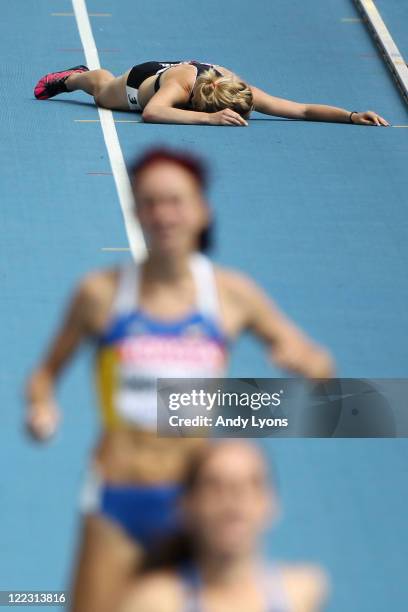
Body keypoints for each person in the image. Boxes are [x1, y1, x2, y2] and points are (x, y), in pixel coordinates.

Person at [25, 147, 334, 612]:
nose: (163, 214)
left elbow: (320, 367)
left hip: (194, 512)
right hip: (117, 501)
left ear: (201, 211)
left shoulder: (232, 295)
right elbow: (43, 376)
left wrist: (304, 362)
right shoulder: (99, 294)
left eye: (175, 201)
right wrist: (42, 407)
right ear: (137, 213)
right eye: (150, 202)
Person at [121, 440, 329, 612]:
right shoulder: (154, 602)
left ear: (271, 504)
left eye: (250, 484)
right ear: (186, 505)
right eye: (215, 486)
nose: (232, 500)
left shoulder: (303, 592)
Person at [33, 60, 389, 127]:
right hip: (139, 83)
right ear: (201, 103)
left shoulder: (238, 88)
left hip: (190, 83)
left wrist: (351, 115)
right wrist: (211, 120)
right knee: (98, 92)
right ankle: (75, 76)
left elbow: (300, 110)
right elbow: (154, 113)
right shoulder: (182, 87)